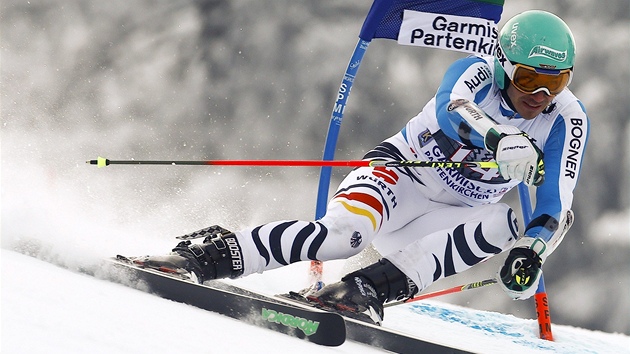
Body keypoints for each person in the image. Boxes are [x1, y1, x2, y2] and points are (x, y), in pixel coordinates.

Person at [134, 10, 589, 323]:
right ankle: (204, 256)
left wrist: (533, 251)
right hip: (401, 177)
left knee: (511, 223)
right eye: (529, 78)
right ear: (504, 65)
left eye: (557, 82)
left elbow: (555, 200)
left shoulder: (566, 119)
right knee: (342, 237)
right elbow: (454, 109)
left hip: (450, 218)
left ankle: (364, 290)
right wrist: (498, 137)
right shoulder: (476, 71)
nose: (541, 95)